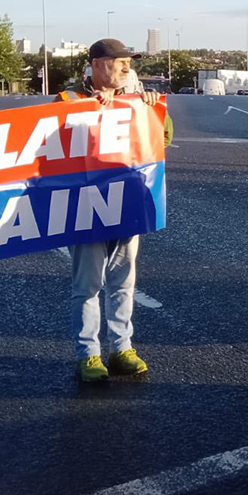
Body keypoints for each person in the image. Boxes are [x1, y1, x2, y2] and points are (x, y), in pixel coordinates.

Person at [55, 39, 168, 381]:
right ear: (97, 64)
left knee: (123, 280)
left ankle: (121, 347)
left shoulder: (137, 99)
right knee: (88, 285)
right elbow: (53, 139)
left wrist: (150, 110)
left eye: (128, 63)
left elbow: (161, 140)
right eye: (120, 62)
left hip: (125, 202)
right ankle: (88, 353)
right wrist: (92, 108)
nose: (127, 68)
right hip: (87, 205)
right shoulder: (68, 99)